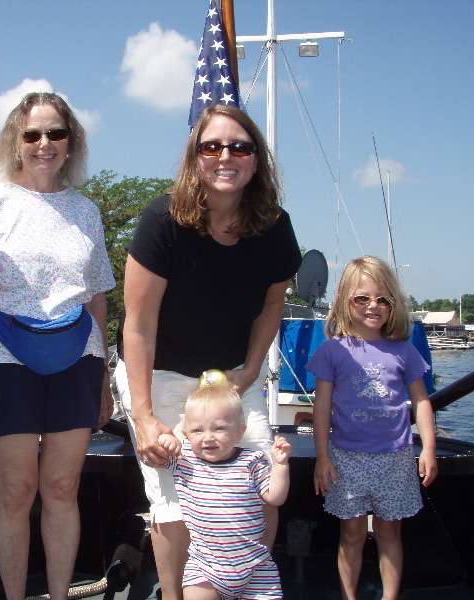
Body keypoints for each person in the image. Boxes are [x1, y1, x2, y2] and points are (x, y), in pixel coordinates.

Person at [114, 104, 303, 600]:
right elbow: (137, 324)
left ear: (256, 161)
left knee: (260, 487)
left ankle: (243, 588)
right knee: (173, 501)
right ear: (195, 157)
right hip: (161, 373)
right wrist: (146, 416)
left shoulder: (275, 226)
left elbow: (271, 305)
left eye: (239, 147)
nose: (225, 156)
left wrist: (252, 371)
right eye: (212, 146)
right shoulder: (164, 219)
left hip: (233, 375)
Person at [0, 92, 115, 600]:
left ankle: (61, 595)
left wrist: (105, 377)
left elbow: (98, 298)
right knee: (16, 491)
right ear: (16, 141)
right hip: (4, 356)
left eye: (56, 133)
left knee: (63, 489)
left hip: (78, 359)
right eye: (33, 134)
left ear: (71, 142)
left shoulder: (86, 211)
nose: (44, 144)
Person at [305, 256, 438, 600]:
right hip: (346, 459)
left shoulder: (404, 351)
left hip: (396, 459)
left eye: (383, 299)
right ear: (345, 301)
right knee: (350, 534)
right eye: (362, 298)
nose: (373, 306)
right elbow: (321, 407)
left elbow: (421, 402)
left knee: (389, 532)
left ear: (393, 304)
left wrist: (429, 450)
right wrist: (323, 457)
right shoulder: (333, 351)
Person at [155, 383, 291, 600]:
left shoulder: (252, 462)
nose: (208, 437)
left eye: (219, 428)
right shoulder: (184, 460)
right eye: (198, 430)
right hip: (204, 568)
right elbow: (154, 455)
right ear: (186, 434)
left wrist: (280, 466)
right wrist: (166, 441)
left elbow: (275, 497)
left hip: (255, 567)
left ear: (239, 432)